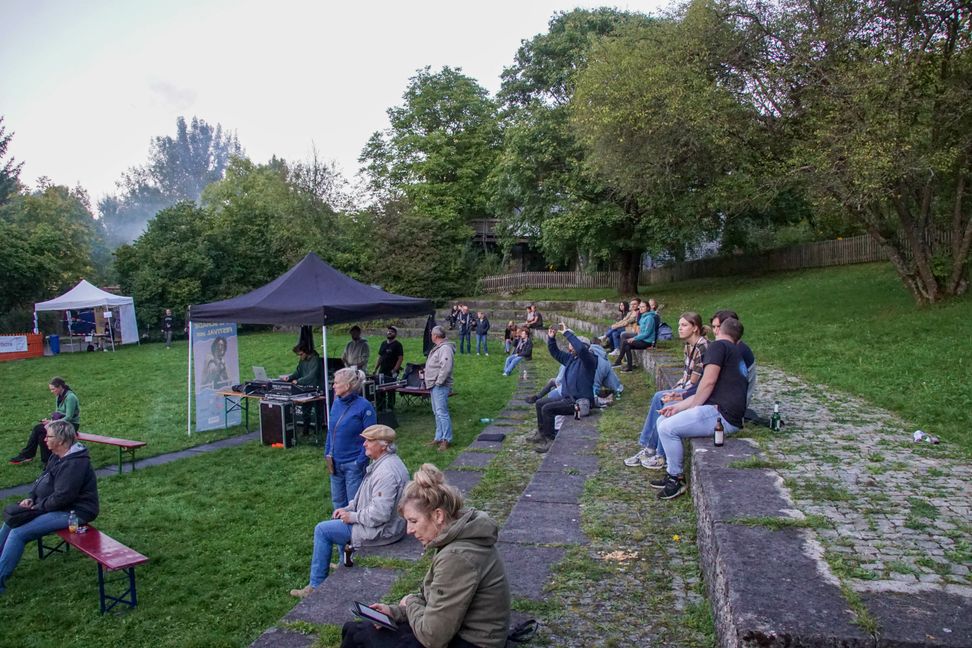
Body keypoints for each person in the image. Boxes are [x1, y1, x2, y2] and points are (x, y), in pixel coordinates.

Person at [340, 464, 510, 648]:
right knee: (358, 629)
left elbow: (433, 638)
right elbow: (434, 600)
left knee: (359, 637)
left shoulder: (457, 556)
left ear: (438, 515)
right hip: (459, 631)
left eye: (413, 521)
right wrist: (396, 612)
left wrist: (409, 602)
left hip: (471, 642)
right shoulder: (455, 537)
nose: (409, 530)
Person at [291, 425, 410, 598]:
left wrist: (352, 516)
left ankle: (315, 586)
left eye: (369, 441)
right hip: (388, 527)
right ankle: (342, 562)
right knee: (337, 522)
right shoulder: (386, 462)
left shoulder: (386, 473)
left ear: (383, 445)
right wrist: (348, 508)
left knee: (322, 530)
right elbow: (366, 497)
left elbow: (380, 515)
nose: (364, 445)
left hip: (382, 532)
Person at [652, 317, 749, 500]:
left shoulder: (718, 347)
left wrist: (689, 408)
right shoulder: (735, 352)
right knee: (662, 419)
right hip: (723, 411)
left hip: (723, 416)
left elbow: (708, 382)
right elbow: (705, 388)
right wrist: (679, 406)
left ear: (719, 331)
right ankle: (671, 472)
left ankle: (676, 478)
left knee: (667, 428)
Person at [1, 420, 99, 594]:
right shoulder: (57, 456)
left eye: (49, 436)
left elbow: (63, 498)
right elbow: (41, 480)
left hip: (74, 512)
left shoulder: (74, 463)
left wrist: (38, 507)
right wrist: (31, 498)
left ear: (61, 440)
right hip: (52, 505)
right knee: (11, 520)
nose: (45, 439)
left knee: (19, 532)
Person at [624, 312, 709, 470]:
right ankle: (650, 449)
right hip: (688, 389)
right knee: (660, 396)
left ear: (695, 328)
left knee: (664, 399)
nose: (680, 328)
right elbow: (685, 376)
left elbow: (694, 382)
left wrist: (677, 393)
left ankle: (660, 455)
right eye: (679, 325)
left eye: (684, 325)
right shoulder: (689, 346)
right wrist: (675, 389)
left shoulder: (702, 347)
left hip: (696, 394)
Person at [530, 324, 597, 453]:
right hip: (568, 399)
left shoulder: (590, 360)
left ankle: (550, 441)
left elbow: (582, 350)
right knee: (540, 403)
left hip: (580, 404)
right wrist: (551, 338)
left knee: (547, 409)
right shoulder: (572, 359)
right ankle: (542, 433)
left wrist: (567, 333)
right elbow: (556, 353)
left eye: (572, 344)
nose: (569, 346)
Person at [326, 368, 378, 511]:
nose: (333, 386)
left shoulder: (364, 407)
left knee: (354, 506)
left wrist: (359, 462)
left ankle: (355, 533)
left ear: (347, 386)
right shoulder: (336, 403)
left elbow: (372, 436)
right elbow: (332, 430)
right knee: (338, 503)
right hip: (335, 463)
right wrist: (328, 453)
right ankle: (339, 531)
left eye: (336, 383)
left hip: (353, 465)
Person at [10, 377, 80, 466]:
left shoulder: (70, 397)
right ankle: (45, 461)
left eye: (53, 389)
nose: (52, 391)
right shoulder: (59, 396)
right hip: (61, 423)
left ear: (60, 387)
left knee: (39, 429)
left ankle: (29, 456)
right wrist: (50, 421)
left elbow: (69, 417)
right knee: (41, 433)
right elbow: (58, 413)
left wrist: (53, 423)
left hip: (71, 425)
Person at [711, 310, 757, 407]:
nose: (715, 331)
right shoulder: (732, 346)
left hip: (732, 405)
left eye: (719, 327)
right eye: (713, 327)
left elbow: (713, 382)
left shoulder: (737, 350)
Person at [424, 326, 455, 451]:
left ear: (435, 336)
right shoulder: (439, 348)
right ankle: (438, 437)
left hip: (439, 386)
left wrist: (439, 382)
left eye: (432, 334)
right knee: (437, 412)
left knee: (442, 413)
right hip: (434, 385)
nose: (431, 336)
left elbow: (446, 367)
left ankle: (446, 439)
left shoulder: (445, 348)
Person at [284, 343, 325, 434]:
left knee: (318, 410)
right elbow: (298, 372)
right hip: (307, 388)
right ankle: (305, 430)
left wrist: (298, 381)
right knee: (306, 410)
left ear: (307, 352)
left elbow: (312, 376)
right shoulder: (302, 360)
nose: (300, 356)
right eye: (298, 355)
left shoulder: (315, 360)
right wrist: (289, 377)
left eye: (301, 354)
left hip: (317, 388)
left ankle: (318, 431)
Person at [614, 301, 657, 372]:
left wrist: (634, 338)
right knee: (627, 346)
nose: (641, 308)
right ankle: (629, 367)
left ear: (648, 308)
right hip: (642, 339)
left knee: (625, 342)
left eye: (643, 307)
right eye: (640, 306)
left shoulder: (649, 318)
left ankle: (619, 361)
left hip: (647, 341)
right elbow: (640, 330)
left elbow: (647, 333)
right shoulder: (643, 316)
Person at [374, 326, 405, 411]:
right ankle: (381, 407)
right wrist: (375, 368)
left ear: (395, 334)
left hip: (391, 371)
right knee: (380, 389)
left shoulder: (398, 345)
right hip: (382, 370)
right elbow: (380, 357)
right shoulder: (383, 343)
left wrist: (395, 369)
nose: (389, 332)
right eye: (388, 331)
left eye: (391, 331)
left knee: (391, 390)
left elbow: (400, 358)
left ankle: (391, 407)